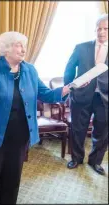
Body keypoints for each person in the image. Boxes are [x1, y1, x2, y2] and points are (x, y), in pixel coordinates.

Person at [0, 31, 72, 204]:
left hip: (20, 135)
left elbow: (46, 94)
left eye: (23, 45)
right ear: (6, 49)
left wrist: (67, 89)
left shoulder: (30, 70)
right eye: (19, 45)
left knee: (13, 178)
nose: (23, 49)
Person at [64, 13, 108, 175]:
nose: (102, 32)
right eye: (99, 28)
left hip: (105, 98)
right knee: (78, 129)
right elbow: (69, 69)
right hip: (81, 95)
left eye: (106, 29)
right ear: (95, 30)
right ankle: (76, 158)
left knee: (102, 132)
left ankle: (95, 161)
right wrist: (69, 89)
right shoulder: (81, 47)